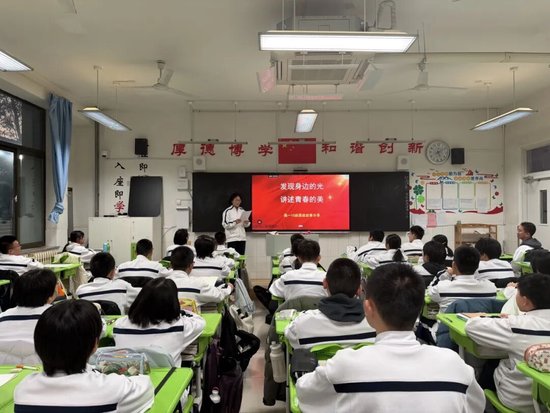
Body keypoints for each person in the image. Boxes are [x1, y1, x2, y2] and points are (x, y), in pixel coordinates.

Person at [296, 263, 485, 413]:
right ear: (420, 307)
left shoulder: (344, 365)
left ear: (368, 308)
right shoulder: (455, 366)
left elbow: (305, 397)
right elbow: (476, 406)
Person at [14, 300, 154, 412]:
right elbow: (146, 386)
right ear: (95, 344)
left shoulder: (23, 390)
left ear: (38, 343)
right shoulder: (115, 388)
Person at [466, 273, 550, 413]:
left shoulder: (516, 326)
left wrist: (508, 320)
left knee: (488, 367)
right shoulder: (518, 323)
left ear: (525, 301)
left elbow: (471, 326)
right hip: (547, 401)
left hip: (521, 399)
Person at [285, 258, 376, 349]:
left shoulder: (302, 324)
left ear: (325, 283)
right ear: (359, 289)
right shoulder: (376, 325)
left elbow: (289, 335)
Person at [113, 278, 205, 366]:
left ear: (140, 299)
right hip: (168, 376)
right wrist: (180, 311)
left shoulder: (119, 324)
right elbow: (200, 322)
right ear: (173, 303)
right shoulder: (179, 327)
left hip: (128, 374)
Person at [0, 269, 57, 364]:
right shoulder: (59, 317)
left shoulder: (2, 318)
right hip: (46, 370)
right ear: (50, 296)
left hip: (5, 371)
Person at [428, 245, 497, 313]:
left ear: (454, 265)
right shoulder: (491, 288)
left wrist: (446, 274)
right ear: (477, 266)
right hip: (478, 320)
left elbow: (430, 292)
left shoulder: (442, 288)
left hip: (449, 320)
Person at [167, 246, 232, 307]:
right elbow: (219, 296)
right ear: (191, 265)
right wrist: (229, 287)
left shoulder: (162, 283)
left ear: (171, 265)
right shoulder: (198, 284)